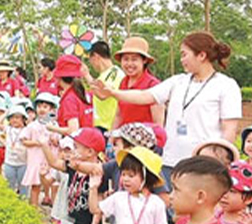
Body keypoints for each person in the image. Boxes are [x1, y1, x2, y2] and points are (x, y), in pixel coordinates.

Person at [93, 31, 243, 170]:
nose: (182, 59)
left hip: (202, 164)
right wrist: (112, 93)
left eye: (184, 55)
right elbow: (145, 96)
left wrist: (220, 163)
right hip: (170, 160)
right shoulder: (178, 81)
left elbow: (229, 129)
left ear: (201, 55)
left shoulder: (226, 85)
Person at [43, 127, 107, 224]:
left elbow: (99, 202)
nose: (73, 150)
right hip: (70, 219)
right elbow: (53, 162)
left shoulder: (98, 172)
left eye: (77, 147)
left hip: (89, 223)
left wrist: (96, 220)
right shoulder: (72, 167)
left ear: (90, 152)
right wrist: (43, 144)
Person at [111, 37, 163, 130]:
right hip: (123, 139)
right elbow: (119, 115)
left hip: (145, 141)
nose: (129, 64)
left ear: (144, 61)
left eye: (134, 59)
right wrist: (110, 138)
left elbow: (158, 124)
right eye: (126, 59)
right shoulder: (123, 82)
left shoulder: (153, 85)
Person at [22, 93, 58, 207]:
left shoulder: (54, 124)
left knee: (54, 185)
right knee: (35, 185)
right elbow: (24, 141)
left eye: (45, 107)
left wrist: (54, 140)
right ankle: (34, 209)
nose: (42, 109)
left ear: (51, 109)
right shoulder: (32, 126)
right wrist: (37, 143)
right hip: (36, 160)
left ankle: (55, 213)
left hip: (50, 160)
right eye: (39, 106)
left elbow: (58, 142)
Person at [83, 39, 125, 132]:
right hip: (100, 124)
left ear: (96, 57)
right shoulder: (103, 75)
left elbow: (103, 94)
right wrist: (86, 75)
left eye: (91, 60)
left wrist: (86, 76)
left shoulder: (114, 73)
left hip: (108, 126)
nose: (92, 64)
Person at [49, 54, 95, 134]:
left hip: (77, 144)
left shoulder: (69, 99)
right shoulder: (85, 94)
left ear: (59, 77)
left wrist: (52, 128)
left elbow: (73, 130)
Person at [2, 106, 30, 195]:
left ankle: (24, 203)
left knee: (23, 186)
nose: (14, 120)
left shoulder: (27, 130)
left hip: (23, 163)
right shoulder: (8, 129)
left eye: (17, 117)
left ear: (23, 119)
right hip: (9, 162)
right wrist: (6, 112)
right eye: (12, 117)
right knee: (10, 185)